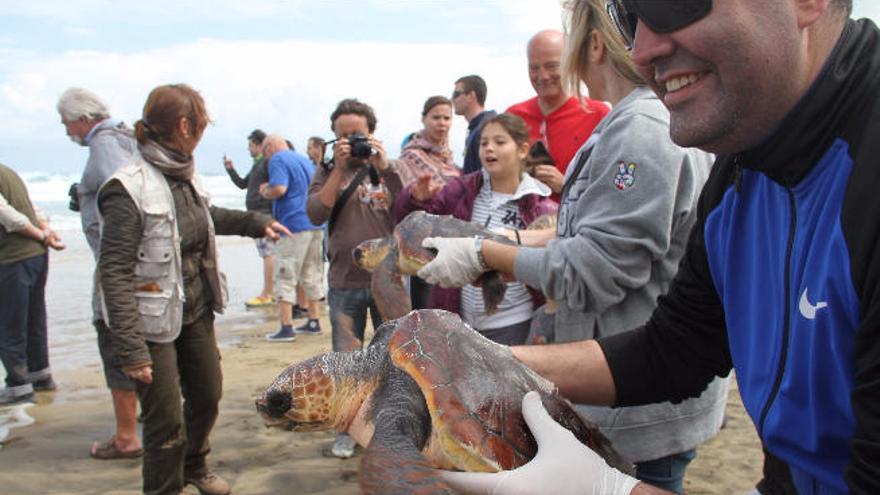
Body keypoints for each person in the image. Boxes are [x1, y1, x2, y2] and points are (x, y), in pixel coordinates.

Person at [434, 0, 880, 494]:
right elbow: (678, 346)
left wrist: (602, 490)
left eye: (671, 3)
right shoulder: (742, 166)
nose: (642, 50)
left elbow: (600, 265)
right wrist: (484, 365)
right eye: (627, 17)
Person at [420, 2, 724, 491]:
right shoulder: (623, 123)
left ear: (595, 45)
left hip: (637, 409)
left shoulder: (639, 131)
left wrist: (486, 256)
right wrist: (504, 240)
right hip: (629, 393)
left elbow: (596, 268)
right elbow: (592, 231)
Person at [97, 84, 290, 495]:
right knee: (164, 420)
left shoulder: (184, 172)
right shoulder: (126, 187)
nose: (202, 133)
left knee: (207, 395)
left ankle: (194, 466)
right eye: (201, 125)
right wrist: (129, 348)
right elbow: (112, 272)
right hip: (150, 323)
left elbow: (206, 216)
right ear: (186, 126)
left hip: (195, 307)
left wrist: (255, 222)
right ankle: (164, 488)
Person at [395, 113, 557, 345]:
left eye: (500, 142)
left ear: (522, 150)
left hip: (514, 325)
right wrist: (415, 199)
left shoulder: (541, 205)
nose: (489, 148)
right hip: (459, 323)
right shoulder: (460, 190)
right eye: (483, 143)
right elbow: (413, 226)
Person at [306, 98, 402, 459]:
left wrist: (384, 164)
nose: (351, 141)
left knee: (390, 360)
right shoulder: (327, 171)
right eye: (343, 136)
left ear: (372, 134)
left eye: (357, 134)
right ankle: (348, 429)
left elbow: (409, 207)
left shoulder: (388, 171)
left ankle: (390, 426)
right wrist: (337, 168)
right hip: (344, 281)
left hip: (387, 281)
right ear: (333, 139)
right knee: (347, 361)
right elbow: (315, 212)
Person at [56, 87, 144, 460]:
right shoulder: (127, 139)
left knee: (115, 342)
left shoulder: (105, 144)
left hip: (118, 265)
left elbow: (122, 199)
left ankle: (126, 436)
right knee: (137, 344)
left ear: (83, 118)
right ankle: (140, 425)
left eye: (66, 124)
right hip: (136, 264)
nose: (67, 132)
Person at [506, 29, 610, 200]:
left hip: (573, 223)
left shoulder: (598, 115)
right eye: (534, 68)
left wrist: (566, 186)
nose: (542, 76)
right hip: (518, 222)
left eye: (551, 66)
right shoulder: (513, 116)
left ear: (570, 62)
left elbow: (610, 186)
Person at [0, 165, 64, 406]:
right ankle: (40, 376)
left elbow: (10, 217)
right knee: (34, 318)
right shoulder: (8, 172)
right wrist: (46, 231)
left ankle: (18, 386)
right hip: (35, 256)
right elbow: (32, 207)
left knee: (9, 324)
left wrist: (42, 235)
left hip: (13, 257)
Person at [396, 96, 461, 309]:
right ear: (424, 119)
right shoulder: (411, 156)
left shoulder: (450, 159)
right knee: (427, 311)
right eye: (436, 117)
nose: (442, 123)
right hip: (423, 244)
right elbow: (405, 201)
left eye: (446, 118)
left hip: (452, 242)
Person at [259, 135, 325, 341]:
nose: (265, 157)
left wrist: (265, 191)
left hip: (292, 225)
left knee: (285, 273)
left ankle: (286, 326)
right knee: (311, 272)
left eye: (264, 152)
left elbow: (279, 188)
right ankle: (314, 321)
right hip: (315, 223)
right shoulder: (304, 161)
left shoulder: (278, 159)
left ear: (270, 148)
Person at [223, 129, 279, 309]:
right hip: (257, 215)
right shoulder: (257, 165)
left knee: (268, 254)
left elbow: (278, 185)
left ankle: (269, 293)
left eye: (250, 146)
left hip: (264, 214)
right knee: (268, 254)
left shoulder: (267, 163)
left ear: (259, 145)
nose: (248, 150)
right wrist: (230, 169)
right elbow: (242, 184)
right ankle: (273, 291)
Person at [452, 75, 497, 174]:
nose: (452, 99)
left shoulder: (486, 129)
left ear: (471, 96)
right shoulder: (478, 127)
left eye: (456, 94)